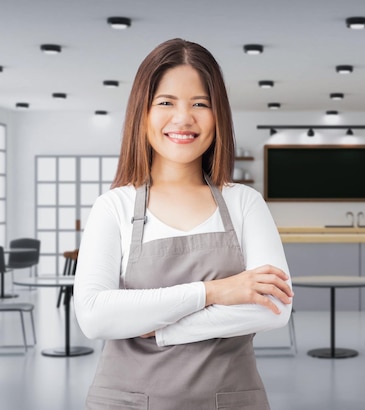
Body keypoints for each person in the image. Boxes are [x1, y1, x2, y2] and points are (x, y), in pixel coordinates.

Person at [74, 38, 293, 410]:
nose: (183, 118)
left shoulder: (244, 203)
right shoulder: (113, 206)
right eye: (165, 102)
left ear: (217, 114)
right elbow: (95, 316)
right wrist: (214, 292)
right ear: (142, 113)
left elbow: (273, 306)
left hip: (229, 401)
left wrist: (156, 327)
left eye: (200, 104)